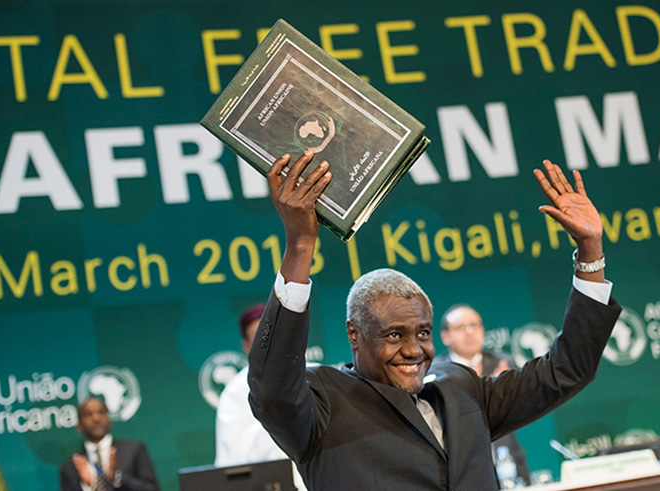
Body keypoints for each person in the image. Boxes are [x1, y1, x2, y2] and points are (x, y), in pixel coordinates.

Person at [248, 151, 621, 490]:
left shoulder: (460, 386)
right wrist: (299, 244)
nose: (413, 350)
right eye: (394, 335)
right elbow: (273, 388)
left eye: (422, 333)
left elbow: (566, 370)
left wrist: (590, 251)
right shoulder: (324, 402)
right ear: (355, 335)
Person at [214, 304, 307, 489]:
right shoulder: (235, 392)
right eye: (260, 335)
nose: (271, 341)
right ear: (247, 345)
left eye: (276, 332)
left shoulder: (314, 373)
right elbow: (232, 461)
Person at [436, 307, 530, 488]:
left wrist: (505, 387)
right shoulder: (437, 374)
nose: (469, 332)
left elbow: (521, 409)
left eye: (474, 325)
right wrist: (492, 390)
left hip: (509, 462)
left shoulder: (503, 364)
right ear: (445, 336)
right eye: (460, 327)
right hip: (465, 471)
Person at [59, 397, 159, 491]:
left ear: (109, 419)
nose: (96, 418)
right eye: (88, 414)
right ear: (79, 425)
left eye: (101, 413)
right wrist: (88, 487)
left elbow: (152, 489)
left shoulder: (133, 450)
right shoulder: (70, 468)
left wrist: (117, 478)